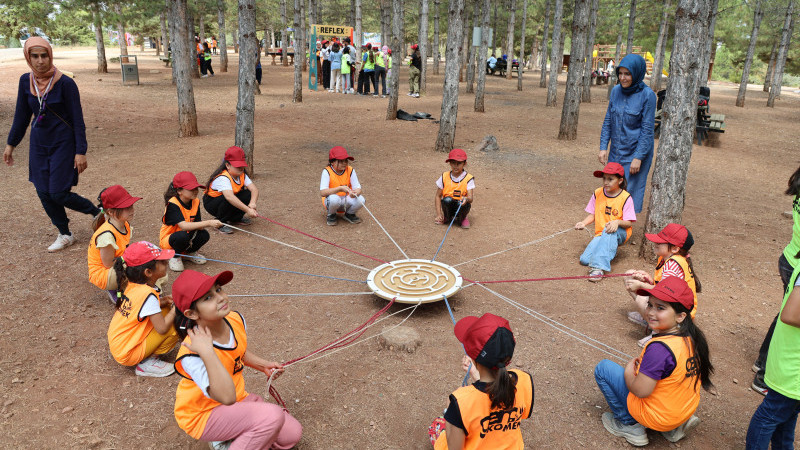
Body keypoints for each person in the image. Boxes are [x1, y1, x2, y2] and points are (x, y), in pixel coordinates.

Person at [172, 270, 303, 449]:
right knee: (272, 417)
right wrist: (208, 352)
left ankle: (232, 435)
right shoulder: (193, 352)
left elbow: (237, 352)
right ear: (192, 314)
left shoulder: (234, 319)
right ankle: (223, 438)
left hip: (237, 400)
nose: (219, 298)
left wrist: (262, 365)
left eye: (218, 290)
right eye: (207, 298)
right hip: (204, 414)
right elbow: (226, 397)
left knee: (292, 434)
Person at [4, 37, 101, 252]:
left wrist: (80, 151)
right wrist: (11, 144)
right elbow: (21, 117)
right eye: (34, 56)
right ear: (28, 57)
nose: (40, 61)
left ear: (50, 55)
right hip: (39, 144)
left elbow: (77, 120)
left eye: (44, 55)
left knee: (58, 193)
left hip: (63, 144)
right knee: (42, 192)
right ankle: (65, 233)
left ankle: (95, 211)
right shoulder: (24, 81)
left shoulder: (65, 83)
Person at [594, 277, 714, 447]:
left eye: (660, 308)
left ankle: (630, 425)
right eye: (650, 305)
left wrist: (629, 372)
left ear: (680, 316)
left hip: (658, 416)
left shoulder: (660, 349)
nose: (650, 312)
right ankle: (675, 426)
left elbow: (641, 391)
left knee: (604, 368)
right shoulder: (692, 338)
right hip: (682, 411)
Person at [431, 313, 534, 449]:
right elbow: (498, 398)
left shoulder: (459, 401)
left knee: (436, 426)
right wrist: (475, 374)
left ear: (473, 358)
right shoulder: (524, 380)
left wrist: (450, 410)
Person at [751, 165, 800, 395]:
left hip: (790, 259)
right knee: (787, 318)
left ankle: (762, 362)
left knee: (784, 314)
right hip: (794, 265)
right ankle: (762, 378)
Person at [745, 263, 800, 449]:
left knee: (787, 412)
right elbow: (790, 315)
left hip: (789, 358)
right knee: (771, 414)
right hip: (794, 364)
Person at [107, 241, 180, 377]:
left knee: (166, 309)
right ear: (148, 272)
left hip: (121, 344)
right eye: (162, 262)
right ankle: (148, 362)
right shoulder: (148, 295)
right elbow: (162, 328)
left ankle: (147, 354)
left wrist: (164, 301)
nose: (166, 262)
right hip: (128, 352)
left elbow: (143, 308)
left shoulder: (134, 285)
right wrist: (176, 309)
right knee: (176, 323)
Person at [624, 223, 701, 347]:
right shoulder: (668, 258)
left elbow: (665, 294)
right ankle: (649, 320)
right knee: (630, 275)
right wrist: (648, 279)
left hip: (677, 316)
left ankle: (658, 333)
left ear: (675, 249)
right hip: (672, 307)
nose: (656, 243)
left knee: (640, 299)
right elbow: (663, 285)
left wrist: (641, 285)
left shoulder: (672, 265)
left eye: (661, 242)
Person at [599, 54, 656, 215]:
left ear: (637, 74)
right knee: (612, 185)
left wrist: (638, 157)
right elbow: (608, 120)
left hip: (635, 152)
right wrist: (604, 147)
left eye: (627, 74)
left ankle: (623, 226)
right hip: (617, 150)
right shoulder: (616, 91)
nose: (623, 78)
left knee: (630, 190)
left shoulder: (648, 95)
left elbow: (647, 130)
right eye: (621, 73)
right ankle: (609, 222)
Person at [574, 162, 635, 281]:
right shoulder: (598, 193)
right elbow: (593, 214)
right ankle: (608, 248)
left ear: (620, 180)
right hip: (601, 233)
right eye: (604, 178)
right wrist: (583, 223)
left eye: (610, 179)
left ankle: (598, 269)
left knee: (609, 229)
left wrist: (616, 222)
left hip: (620, 232)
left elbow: (629, 223)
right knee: (585, 260)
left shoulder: (626, 197)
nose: (606, 182)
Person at [160, 171, 223, 272]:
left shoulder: (195, 201)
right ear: (179, 191)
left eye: (196, 188)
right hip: (170, 241)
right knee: (182, 236)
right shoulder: (173, 204)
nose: (195, 191)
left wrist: (213, 224)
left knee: (204, 235)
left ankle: (189, 253)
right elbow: (183, 226)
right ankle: (175, 256)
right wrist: (208, 223)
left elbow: (197, 223)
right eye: (191, 189)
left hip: (186, 236)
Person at [87, 185, 141, 304]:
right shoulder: (107, 235)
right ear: (111, 212)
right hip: (104, 273)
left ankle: (125, 284)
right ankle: (114, 288)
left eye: (131, 205)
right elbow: (108, 264)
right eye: (126, 207)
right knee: (140, 268)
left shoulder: (124, 223)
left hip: (116, 265)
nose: (132, 210)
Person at [203, 146, 260, 234]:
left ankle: (235, 218)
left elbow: (254, 190)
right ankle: (221, 222)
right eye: (237, 166)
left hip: (226, 200)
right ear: (228, 165)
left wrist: (252, 203)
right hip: (212, 203)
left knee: (247, 194)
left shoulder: (242, 174)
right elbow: (229, 197)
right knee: (228, 199)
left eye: (242, 165)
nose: (241, 168)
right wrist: (247, 210)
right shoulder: (223, 177)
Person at [320, 146, 364, 226]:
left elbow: (358, 188)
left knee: (361, 199)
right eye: (341, 161)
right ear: (332, 162)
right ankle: (331, 214)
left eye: (345, 160)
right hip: (332, 201)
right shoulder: (326, 171)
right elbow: (323, 192)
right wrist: (339, 189)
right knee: (334, 199)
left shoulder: (350, 170)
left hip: (346, 200)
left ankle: (349, 214)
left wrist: (355, 193)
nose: (344, 163)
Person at [435, 149, 474, 230]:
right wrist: (439, 214)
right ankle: (446, 217)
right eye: (453, 162)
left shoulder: (468, 178)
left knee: (464, 204)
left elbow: (470, 199)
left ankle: (462, 218)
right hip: (449, 205)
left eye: (459, 163)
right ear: (449, 163)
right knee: (446, 200)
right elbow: (438, 196)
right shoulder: (444, 176)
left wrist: (465, 199)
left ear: (464, 164)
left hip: (461, 206)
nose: (455, 166)